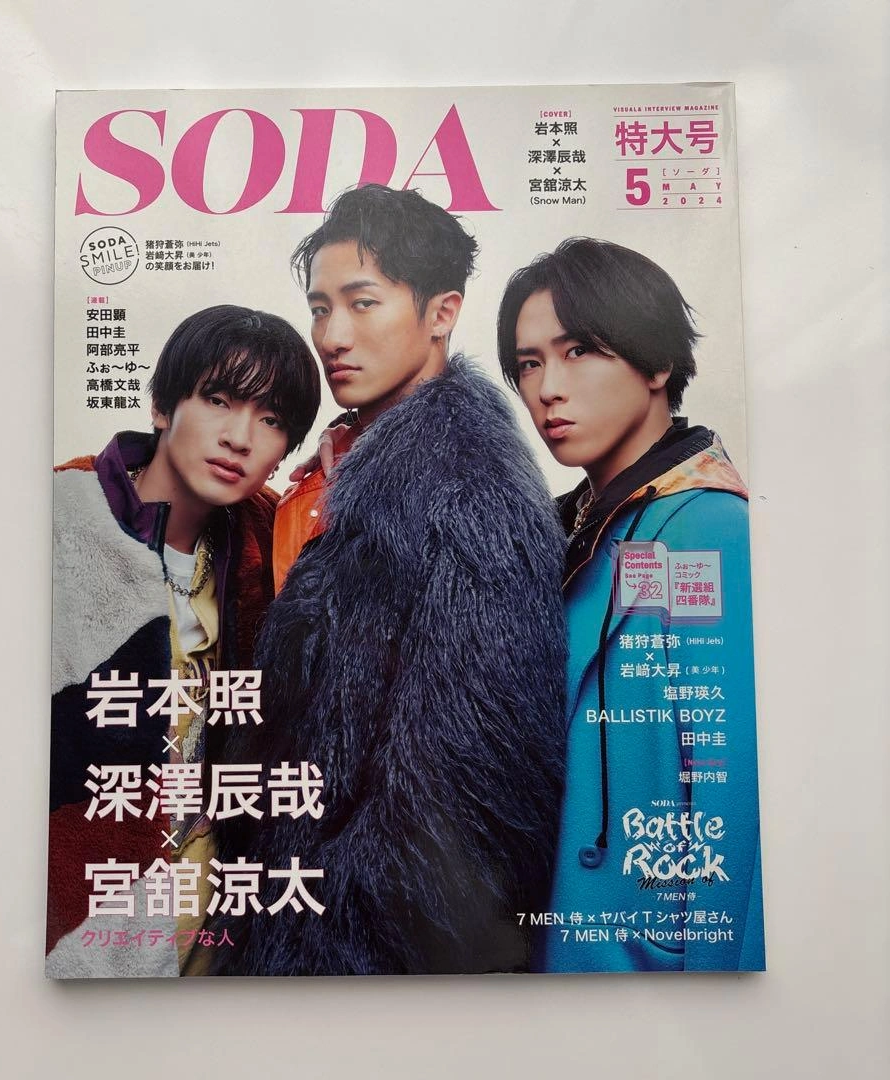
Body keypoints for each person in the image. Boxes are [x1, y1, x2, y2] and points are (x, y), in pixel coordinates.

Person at [212, 184, 568, 976]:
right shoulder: (338, 470)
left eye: (362, 303)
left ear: (442, 313)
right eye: (320, 308)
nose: (332, 336)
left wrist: (313, 956)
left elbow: (464, 807)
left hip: (354, 962)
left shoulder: (467, 489)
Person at [497, 237, 764, 971]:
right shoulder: (568, 531)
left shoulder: (706, 528)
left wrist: (714, 994)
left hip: (648, 975)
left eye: (579, 351)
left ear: (657, 362)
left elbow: (733, 795)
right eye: (529, 363)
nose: (547, 389)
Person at [46, 304, 320, 978]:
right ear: (163, 406)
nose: (239, 438)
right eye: (219, 400)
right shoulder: (59, 520)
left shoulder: (268, 547)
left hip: (212, 921)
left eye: (271, 420)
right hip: (87, 918)